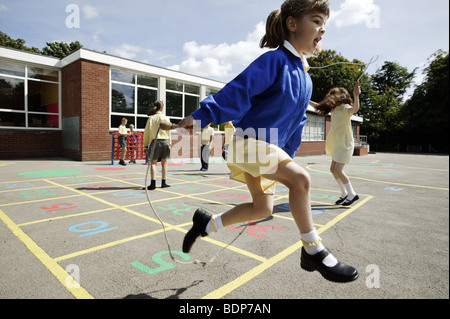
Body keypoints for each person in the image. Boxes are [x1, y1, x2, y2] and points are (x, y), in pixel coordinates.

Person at [178, 0, 358, 283]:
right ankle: (313, 249)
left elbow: (295, 124)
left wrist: (286, 157)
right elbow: (241, 89)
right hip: (248, 144)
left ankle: (206, 224)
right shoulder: (274, 61)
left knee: (262, 208)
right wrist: (203, 115)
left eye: (325, 24)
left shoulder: (306, 79)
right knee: (301, 180)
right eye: (316, 21)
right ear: (292, 24)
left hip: (267, 149)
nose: (322, 30)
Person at [312, 85, 361, 206]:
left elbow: (355, 109)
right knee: (333, 169)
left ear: (342, 96)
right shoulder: (334, 109)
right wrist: (305, 98)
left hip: (345, 144)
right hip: (337, 143)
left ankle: (352, 194)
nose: (332, 96)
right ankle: (344, 193)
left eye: (335, 93)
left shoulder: (346, 108)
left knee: (338, 170)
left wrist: (356, 95)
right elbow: (317, 105)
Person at [143, 101, 178, 190]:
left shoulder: (151, 119)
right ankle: (163, 182)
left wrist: (146, 145)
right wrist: (169, 143)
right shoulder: (166, 118)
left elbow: (146, 133)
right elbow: (169, 132)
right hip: (165, 141)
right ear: (162, 108)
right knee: (164, 162)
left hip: (155, 142)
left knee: (153, 163)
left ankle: (153, 184)